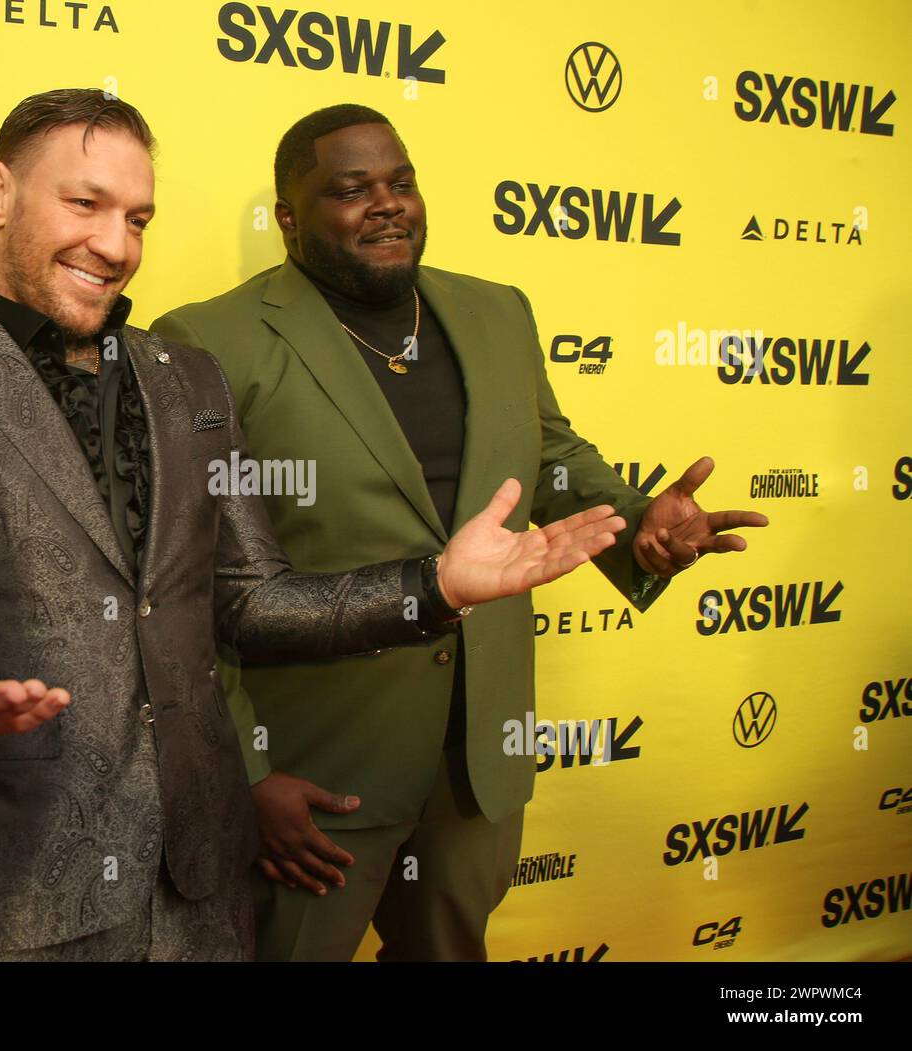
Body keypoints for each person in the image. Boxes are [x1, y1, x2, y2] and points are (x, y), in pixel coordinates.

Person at [0, 90, 629, 962]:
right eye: (84, 204)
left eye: (138, 217)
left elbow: (252, 603)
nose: (115, 244)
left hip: (206, 885)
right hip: (23, 894)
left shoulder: (186, 378)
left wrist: (435, 588)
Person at [150, 103, 769, 962]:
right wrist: (244, 775)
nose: (387, 202)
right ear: (290, 220)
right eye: (351, 188)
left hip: (476, 762)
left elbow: (549, 452)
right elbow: (185, 582)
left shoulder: (497, 313)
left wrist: (636, 527)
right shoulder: (207, 339)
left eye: (401, 181)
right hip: (317, 772)